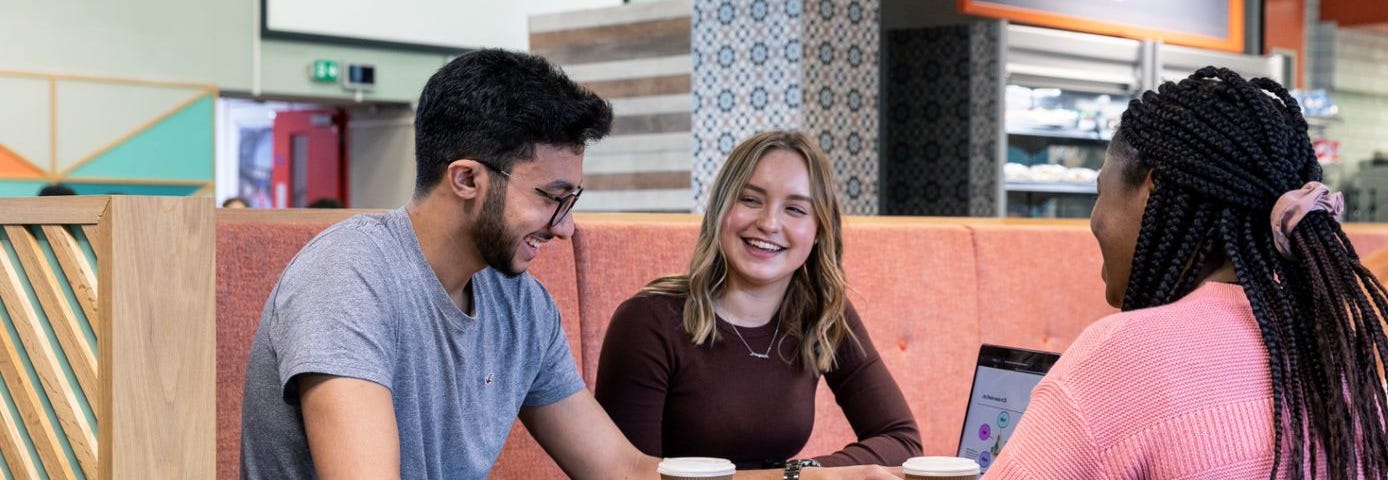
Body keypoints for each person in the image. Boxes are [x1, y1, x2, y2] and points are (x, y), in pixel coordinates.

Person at [239, 49, 898, 480]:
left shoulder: (521, 308)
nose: (567, 227)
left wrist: (812, 477)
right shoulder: (349, 278)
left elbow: (628, 472)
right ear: (467, 179)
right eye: (551, 199)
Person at [986, 67, 1388, 479]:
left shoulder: (1122, 356)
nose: (1094, 219)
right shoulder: (1334, 349)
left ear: (1151, 188)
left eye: (1100, 193)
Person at [595, 131, 921, 471]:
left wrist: (802, 474)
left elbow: (901, 440)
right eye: (751, 200)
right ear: (721, 209)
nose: (768, 223)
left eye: (795, 209)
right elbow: (626, 475)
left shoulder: (823, 314)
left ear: (819, 231)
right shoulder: (648, 321)